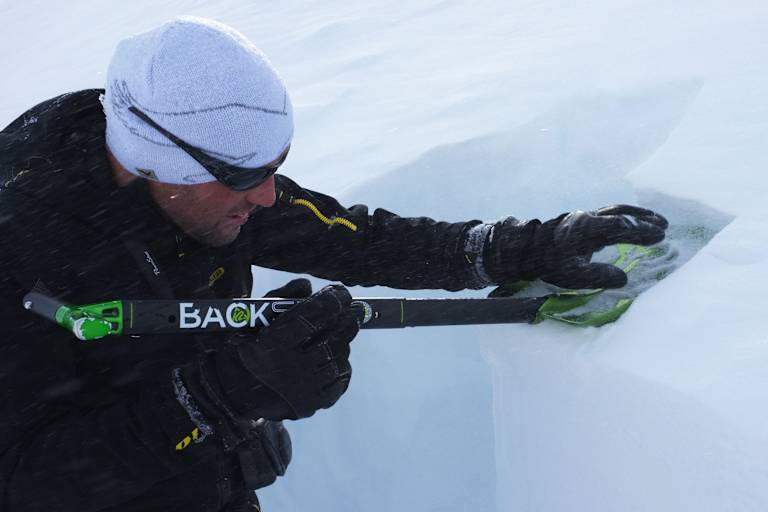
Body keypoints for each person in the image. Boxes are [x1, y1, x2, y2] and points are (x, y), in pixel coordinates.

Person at [0, 16, 668, 512]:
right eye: (245, 176)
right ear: (158, 159)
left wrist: (506, 249)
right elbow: (23, 478)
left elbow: (346, 237)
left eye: (277, 167)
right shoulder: (19, 247)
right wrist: (211, 400)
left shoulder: (197, 173)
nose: (265, 196)